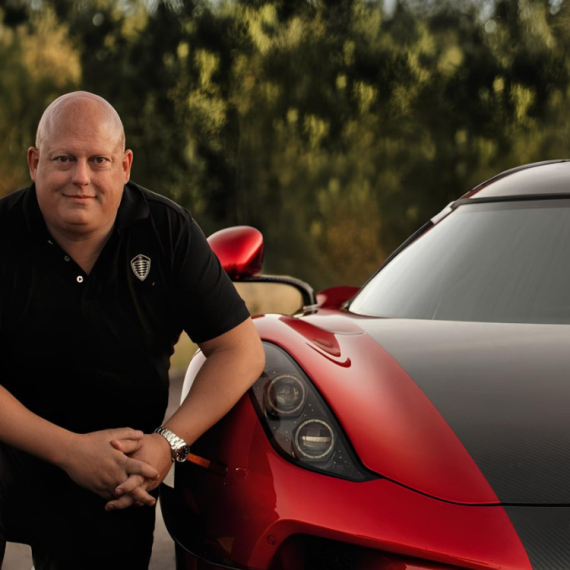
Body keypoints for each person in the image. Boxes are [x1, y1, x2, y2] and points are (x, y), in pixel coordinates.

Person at [0, 91, 265, 569]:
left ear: (124, 166)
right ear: (35, 163)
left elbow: (240, 350)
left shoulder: (168, 232)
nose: (81, 177)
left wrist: (167, 443)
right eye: (63, 159)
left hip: (116, 475)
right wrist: (70, 451)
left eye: (98, 160)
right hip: (11, 449)